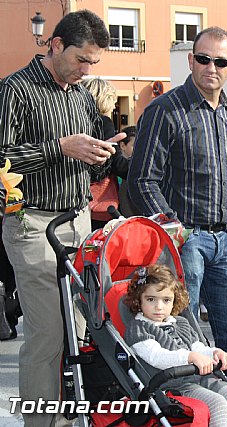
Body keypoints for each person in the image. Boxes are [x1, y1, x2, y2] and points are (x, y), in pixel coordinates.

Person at [0, 10, 123, 427]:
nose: (86, 70)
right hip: (31, 223)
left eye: (94, 63)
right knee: (49, 335)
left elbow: (86, 161)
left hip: (79, 221)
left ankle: (68, 419)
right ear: (55, 45)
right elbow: (1, 159)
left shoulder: (82, 94)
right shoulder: (13, 90)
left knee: (81, 331)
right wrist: (60, 147)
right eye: (81, 60)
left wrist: (103, 155)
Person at [128, 26, 227, 386]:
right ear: (190, 60)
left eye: (220, 61)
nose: (211, 66)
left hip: (224, 241)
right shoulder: (165, 110)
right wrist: (173, 230)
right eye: (203, 58)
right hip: (184, 243)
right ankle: (191, 411)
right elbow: (141, 179)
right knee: (182, 339)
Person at [123, 264, 227, 427]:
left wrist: (215, 353)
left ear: (174, 301)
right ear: (138, 300)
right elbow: (156, 356)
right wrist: (189, 357)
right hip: (172, 386)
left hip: (200, 378)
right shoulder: (139, 329)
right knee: (217, 403)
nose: (159, 307)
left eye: (166, 300)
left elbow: (198, 347)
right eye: (151, 299)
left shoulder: (181, 323)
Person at [81, 77, 129, 229]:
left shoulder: (75, 121)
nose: (115, 105)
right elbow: (116, 164)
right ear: (105, 99)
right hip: (100, 203)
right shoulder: (103, 122)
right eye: (113, 100)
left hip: (76, 199)